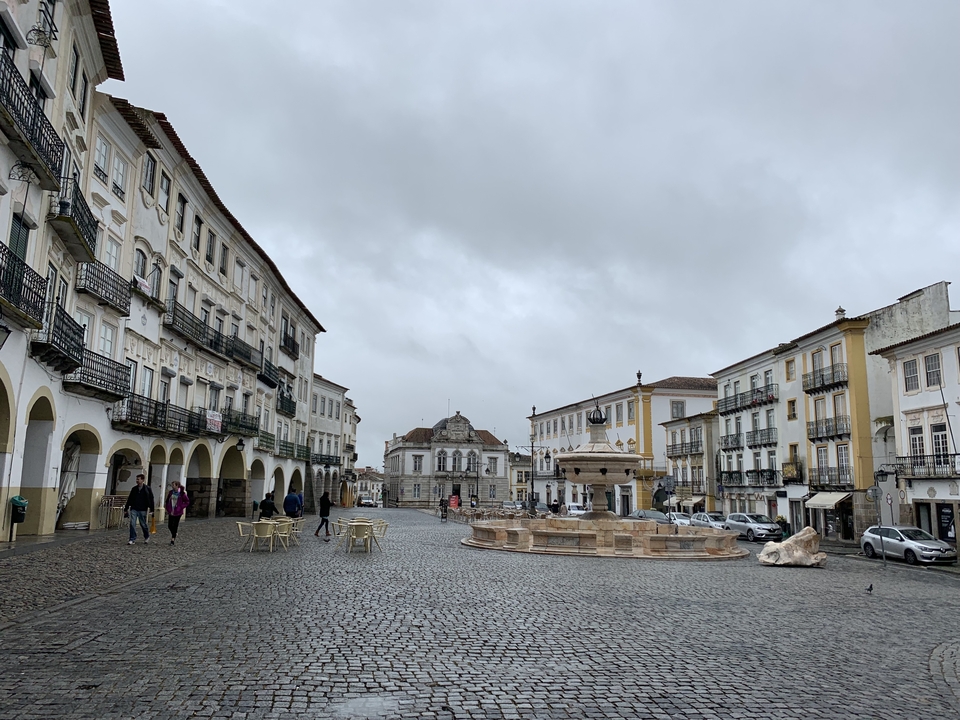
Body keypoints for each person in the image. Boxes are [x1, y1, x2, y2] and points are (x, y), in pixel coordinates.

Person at [124, 474, 155, 545]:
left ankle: (146, 536)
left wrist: (152, 509)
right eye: (136, 479)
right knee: (132, 523)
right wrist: (126, 508)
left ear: (142, 480)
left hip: (143, 509)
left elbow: (151, 499)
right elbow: (130, 499)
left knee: (143, 524)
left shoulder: (147, 489)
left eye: (138, 479)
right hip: (134, 508)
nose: (137, 480)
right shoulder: (134, 489)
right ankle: (132, 538)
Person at [164, 480, 190, 546]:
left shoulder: (182, 494)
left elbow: (187, 501)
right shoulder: (170, 493)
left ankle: (173, 539)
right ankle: (174, 533)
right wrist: (167, 508)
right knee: (170, 525)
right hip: (171, 511)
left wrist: (181, 507)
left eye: (173, 485)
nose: (172, 486)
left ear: (177, 486)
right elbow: (167, 501)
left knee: (175, 525)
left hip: (178, 511)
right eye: (172, 485)